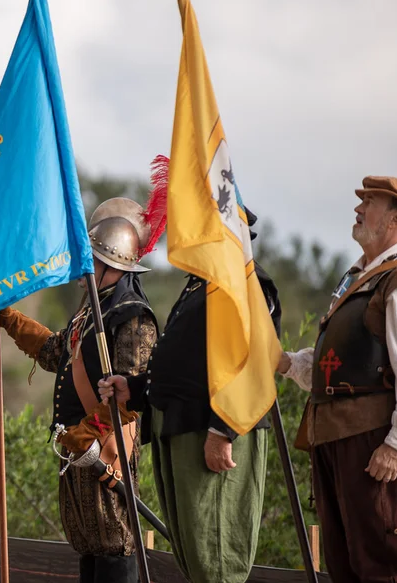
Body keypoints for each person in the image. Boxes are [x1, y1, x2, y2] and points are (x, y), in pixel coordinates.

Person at [99, 208, 282, 583]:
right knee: (196, 555)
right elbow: (187, 363)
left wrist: (223, 431)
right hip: (182, 426)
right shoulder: (204, 281)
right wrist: (133, 389)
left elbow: (253, 363)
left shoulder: (243, 281)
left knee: (216, 559)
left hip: (211, 430)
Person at [0, 198, 161, 583]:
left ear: (113, 266)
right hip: (78, 448)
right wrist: (12, 321)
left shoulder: (133, 317)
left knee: (113, 539)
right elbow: (55, 352)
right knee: (87, 543)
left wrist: (89, 435)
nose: (84, 271)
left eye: (93, 262)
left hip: (105, 450)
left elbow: (129, 395)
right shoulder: (90, 311)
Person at [279, 176, 397, 582]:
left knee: (387, 568)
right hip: (337, 439)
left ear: (396, 219)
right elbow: (340, 367)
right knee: (347, 567)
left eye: (370, 203)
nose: (358, 209)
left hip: (373, 443)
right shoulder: (360, 279)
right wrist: (287, 363)